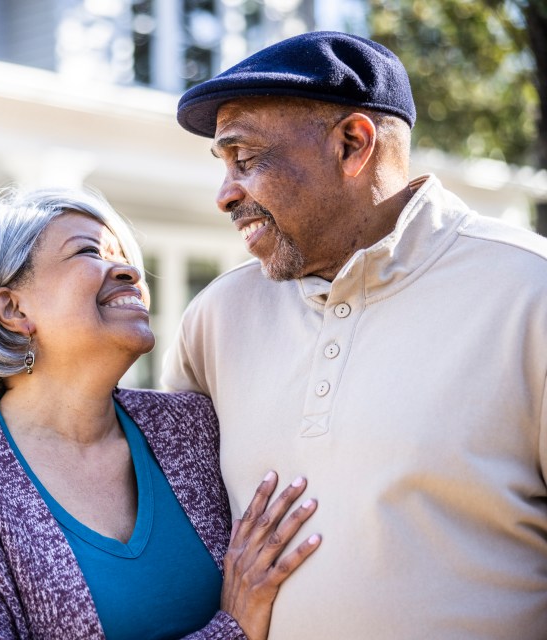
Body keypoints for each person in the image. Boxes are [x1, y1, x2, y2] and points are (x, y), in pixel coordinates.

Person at [164, 30, 547, 640]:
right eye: (222, 165)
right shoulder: (214, 319)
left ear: (351, 144)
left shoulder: (531, 292)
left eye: (247, 158)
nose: (224, 195)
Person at [0, 187, 322, 639]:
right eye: (90, 251)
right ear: (12, 308)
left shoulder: (191, 428)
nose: (131, 271)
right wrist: (232, 630)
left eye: (126, 255)